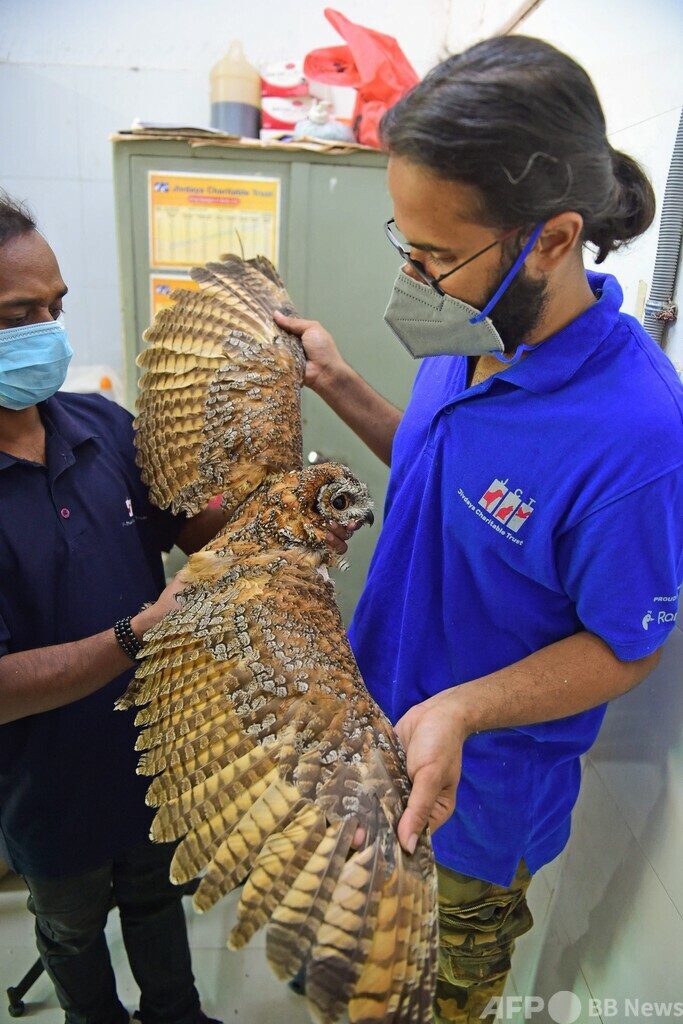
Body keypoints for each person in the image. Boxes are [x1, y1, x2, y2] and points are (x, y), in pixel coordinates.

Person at [274, 35, 683, 1024]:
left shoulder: (634, 438)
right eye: (404, 244)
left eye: (436, 255)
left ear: (550, 240)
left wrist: (460, 709)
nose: (413, 278)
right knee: (342, 977)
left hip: (468, 811)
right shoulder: (466, 333)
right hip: (360, 746)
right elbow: (440, 476)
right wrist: (336, 382)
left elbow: (627, 645)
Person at [0, 193, 230, 1024]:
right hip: (44, 785)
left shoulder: (99, 425)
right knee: (70, 928)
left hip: (151, 753)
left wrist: (263, 496)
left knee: (158, 897)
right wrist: (140, 633)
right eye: (19, 315)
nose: (48, 331)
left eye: (55, 308)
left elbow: (190, 524)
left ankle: (175, 1014)